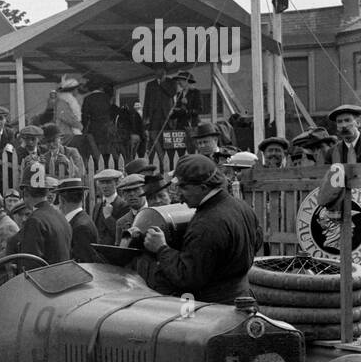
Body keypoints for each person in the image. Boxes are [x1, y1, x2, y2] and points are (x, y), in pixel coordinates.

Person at [142, 155, 263, 304]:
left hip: (213, 311)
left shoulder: (205, 224)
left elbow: (187, 277)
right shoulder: (242, 207)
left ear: (203, 187)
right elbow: (257, 242)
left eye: (184, 187)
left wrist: (161, 248)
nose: (179, 195)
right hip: (243, 299)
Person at [16, 164, 72, 265]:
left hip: (44, 279)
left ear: (25, 192)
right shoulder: (60, 216)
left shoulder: (34, 220)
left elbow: (31, 264)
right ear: (46, 191)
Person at [56, 178, 98, 263]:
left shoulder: (80, 227)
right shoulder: (81, 220)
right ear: (82, 198)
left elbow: (83, 263)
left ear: (62, 200)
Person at [81, 81, 120, 161]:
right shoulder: (106, 97)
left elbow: (84, 115)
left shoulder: (87, 98)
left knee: (95, 148)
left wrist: (85, 127)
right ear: (100, 88)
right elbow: (112, 111)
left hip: (94, 127)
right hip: (107, 127)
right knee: (109, 148)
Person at [90, 168, 123, 244]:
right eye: (102, 182)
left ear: (116, 183)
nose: (104, 186)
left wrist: (108, 217)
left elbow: (122, 235)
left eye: (108, 182)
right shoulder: (97, 207)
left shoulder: (123, 206)